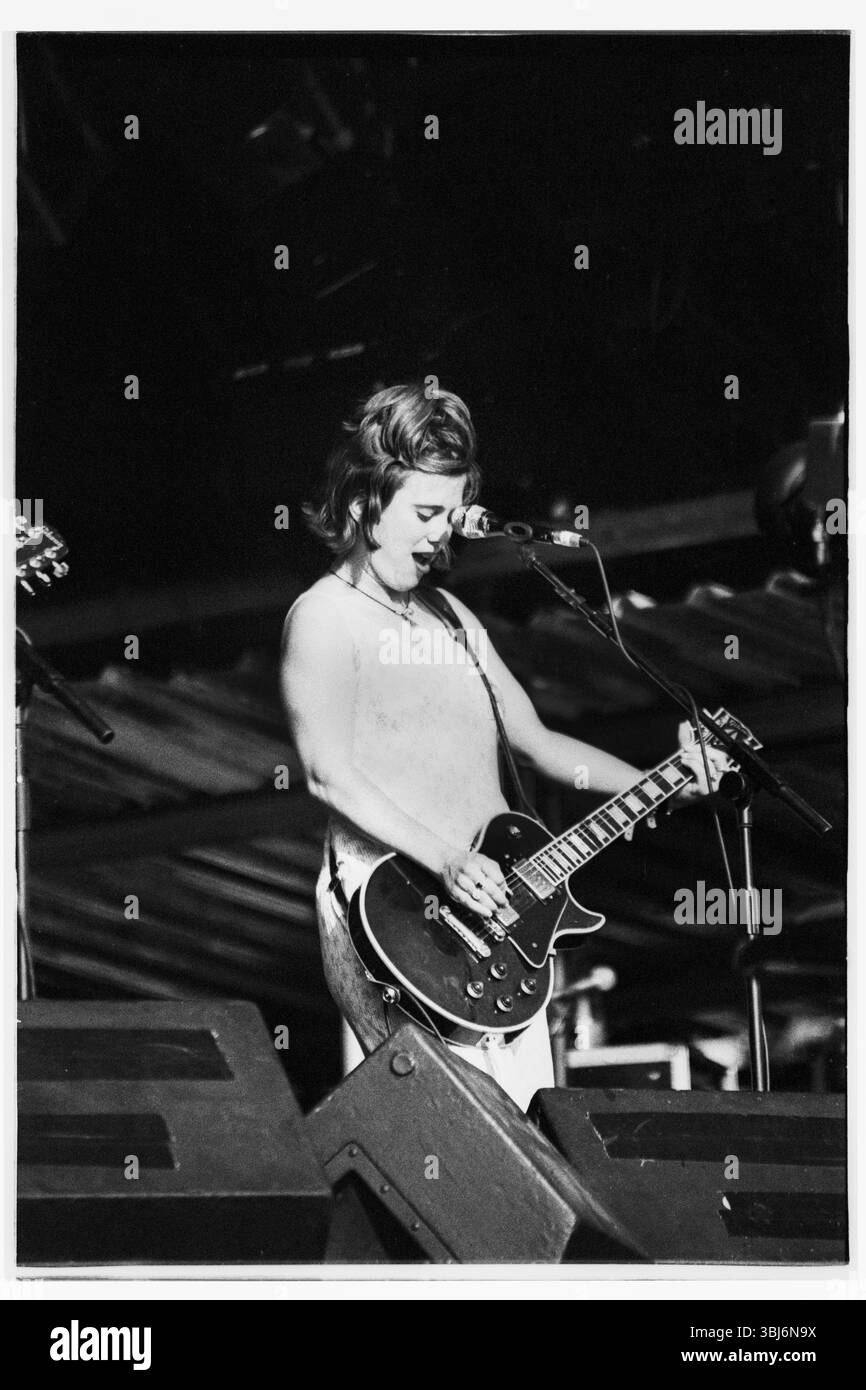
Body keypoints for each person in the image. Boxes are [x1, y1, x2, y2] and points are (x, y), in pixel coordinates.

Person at [280, 383, 729, 1110]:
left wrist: (667, 778)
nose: (440, 536)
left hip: (501, 918)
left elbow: (542, 745)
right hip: (399, 909)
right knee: (453, 1146)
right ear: (364, 503)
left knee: (532, 1152)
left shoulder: (453, 617)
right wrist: (449, 859)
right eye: (424, 514)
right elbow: (329, 777)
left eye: (450, 517)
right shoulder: (324, 620)